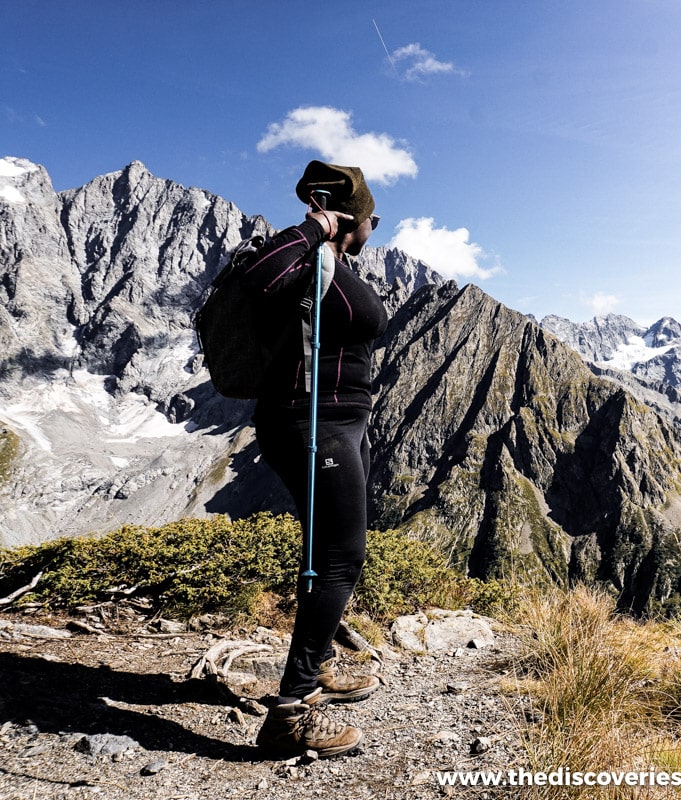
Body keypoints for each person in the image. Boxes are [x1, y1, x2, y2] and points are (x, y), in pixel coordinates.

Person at [241, 160, 389, 758]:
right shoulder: (306, 255)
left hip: (338, 424)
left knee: (327, 548)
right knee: (339, 558)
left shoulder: (330, 265)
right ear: (356, 217)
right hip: (313, 426)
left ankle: (320, 660)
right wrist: (318, 227)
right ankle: (290, 711)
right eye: (371, 218)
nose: (374, 228)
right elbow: (259, 275)